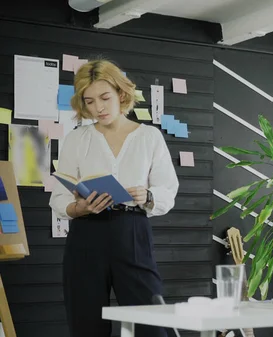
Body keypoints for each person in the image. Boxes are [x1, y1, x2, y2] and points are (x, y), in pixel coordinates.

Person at [49, 59, 179, 337]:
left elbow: (168, 191)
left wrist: (148, 195)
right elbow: (59, 196)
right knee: (86, 325)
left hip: (132, 231)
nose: (99, 107)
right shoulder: (76, 138)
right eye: (90, 101)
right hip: (86, 235)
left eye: (105, 98)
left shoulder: (149, 137)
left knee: (150, 324)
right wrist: (78, 207)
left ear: (121, 94)